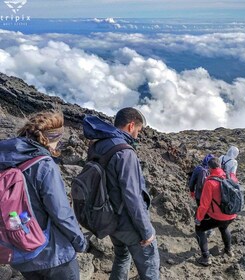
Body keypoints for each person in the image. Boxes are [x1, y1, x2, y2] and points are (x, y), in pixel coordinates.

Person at [0, 110, 87, 279]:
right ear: (52, 139)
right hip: (53, 254)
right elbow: (60, 212)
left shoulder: (4, 159)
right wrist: (80, 242)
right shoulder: (43, 164)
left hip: (19, 252)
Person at [82, 107, 159, 280]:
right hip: (128, 222)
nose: (138, 136)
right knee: (150, 264)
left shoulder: (98, 144)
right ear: (131, 126)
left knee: (122, 256)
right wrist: (147, 231)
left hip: (109, 218)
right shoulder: (125, 152)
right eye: (138, 131)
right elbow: (132, 196)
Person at [195, 157, 237, 266]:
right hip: (231, 214)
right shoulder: (231, 177)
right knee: (224, 227)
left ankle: (206, 257)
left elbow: (204, 205)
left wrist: (198, 219)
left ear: (209, 168)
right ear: (220, 165)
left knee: (199, 229)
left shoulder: (210, 182)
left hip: (217, 216)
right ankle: (228, 250)